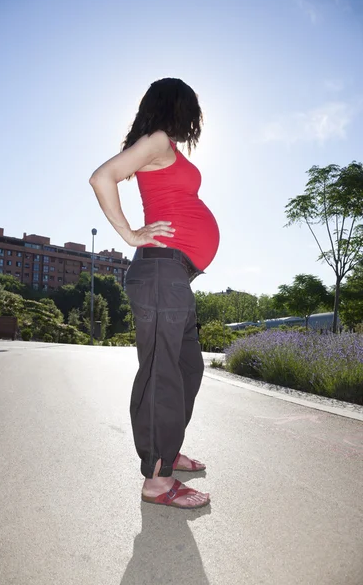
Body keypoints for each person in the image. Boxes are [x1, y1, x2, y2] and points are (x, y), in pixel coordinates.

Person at [89, 77, 220, 509]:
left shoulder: (166, 148)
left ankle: (169, 449)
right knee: (163, 376)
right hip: (160, 271)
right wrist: (130, 233)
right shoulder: (158, 139)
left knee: (187, 370)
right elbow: (102, 176)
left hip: (175, 275)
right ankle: (158, 481)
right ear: (177, 106)